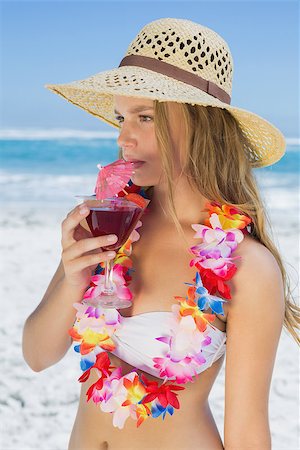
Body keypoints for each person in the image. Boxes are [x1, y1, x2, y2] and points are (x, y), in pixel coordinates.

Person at [22, 17, 299, 450]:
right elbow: (37, 356)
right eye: (121, 117)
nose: (124, 137)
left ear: (201, 124)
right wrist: (72, 277)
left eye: (145, 117)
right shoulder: (109, 228)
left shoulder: (248, 266)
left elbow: (246, 431)